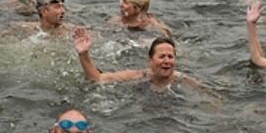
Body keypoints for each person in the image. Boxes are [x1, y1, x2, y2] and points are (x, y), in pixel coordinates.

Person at [73, 31, 203, 91]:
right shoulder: (138, 76)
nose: (167, 61)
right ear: (150, 60)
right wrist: (83, 54)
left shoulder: (183, 80)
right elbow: (99, 79)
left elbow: (208, 96)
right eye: (162, 56)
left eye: (170, 57)